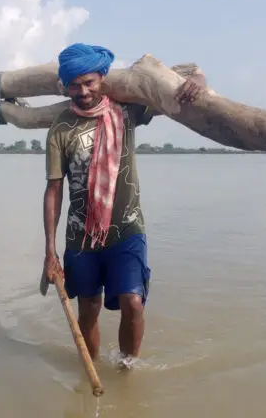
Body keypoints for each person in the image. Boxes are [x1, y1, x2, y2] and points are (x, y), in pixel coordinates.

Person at [42, 43, 206, 366]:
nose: (83, 90)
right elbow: (53, 189)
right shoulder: (60, 129)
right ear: (65, 86)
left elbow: (172, 84)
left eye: (89, 82)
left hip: (127, 228)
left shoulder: (126, 111)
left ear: (102, 77)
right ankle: (92, 370)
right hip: (81, 237)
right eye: (74, 84)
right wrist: (50, 250)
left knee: (133, 302)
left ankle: (127, 370)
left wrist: (198, 80)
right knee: (88, 311)